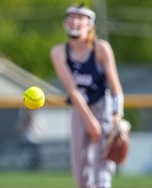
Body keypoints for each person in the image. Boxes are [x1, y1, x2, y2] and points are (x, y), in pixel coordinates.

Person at [50, 3, 124, 188]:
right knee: (80, 169)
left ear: (90, 23)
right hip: (79, 109)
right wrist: (89, 120)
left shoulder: (100, 48)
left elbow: (116, 88)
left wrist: (117, 115)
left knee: (102, 170)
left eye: (80, 17)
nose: (75, 21)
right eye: (71, 16)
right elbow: (73, 90)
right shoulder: (59, 52)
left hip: (102, 105)